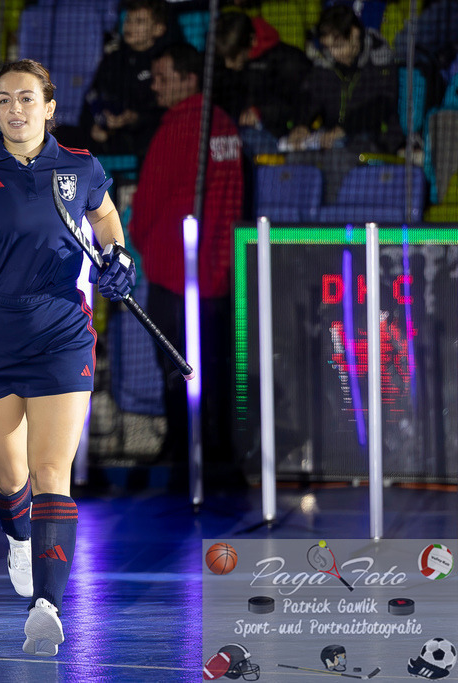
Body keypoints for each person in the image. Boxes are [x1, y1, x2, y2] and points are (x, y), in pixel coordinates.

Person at [0, 59, 135, 657]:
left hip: (63, 332)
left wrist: (121, 258)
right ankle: (18, 537)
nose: (14, 110)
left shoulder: (81, 167)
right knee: (10, 478)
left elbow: (108, 223)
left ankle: (46, 606)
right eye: (3, 102)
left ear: (49, 107)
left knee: (50, 473)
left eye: (25, 99)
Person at [128, 43, 243, 475]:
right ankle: (218, 453)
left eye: (162, 76)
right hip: (216, 271)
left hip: (176, 273)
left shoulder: (179, 128)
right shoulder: (224, 126)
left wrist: (144, 240)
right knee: (214, 367)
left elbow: (150, 199)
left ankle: (182, 451)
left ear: (189, 78)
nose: (154, 86)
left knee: (176, 368)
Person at [289, 4, 403, 154]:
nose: (333, 53)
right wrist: (301, 124)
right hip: (331, 139)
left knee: (338, 158)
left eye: (338, 46)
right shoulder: (326, 61)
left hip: (375, 139)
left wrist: (344, 129)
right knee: (295, 158)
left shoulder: (379, 59)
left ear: (354, 34)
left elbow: (382, 105)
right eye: (328, 47)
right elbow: (310, 94)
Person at [68, 0, 174, 158]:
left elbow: (166, 110)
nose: (130, 26)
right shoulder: (113, 60)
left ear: (158, 29)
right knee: (61, 135)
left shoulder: (164, 63)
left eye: (139, 21)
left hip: (144, 141)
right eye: (129, 19)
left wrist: (135, 118)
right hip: (106, 137)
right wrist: (94, 126)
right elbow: (91, 98)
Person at [212, 11, 312, 156]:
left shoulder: (289, 61)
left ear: (252, 40)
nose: (228, 64)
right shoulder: (224, 67)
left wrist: (260, 113)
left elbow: (303, 104)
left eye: (233, 56)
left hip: (279, 137)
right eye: (224, 57)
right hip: (237, 131)